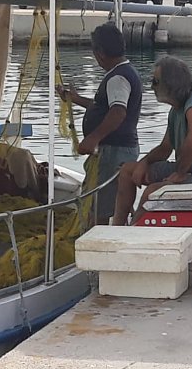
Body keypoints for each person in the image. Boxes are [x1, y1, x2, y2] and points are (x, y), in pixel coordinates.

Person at [112, 56, 192, 226]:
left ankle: (134, 229)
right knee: (128, 171)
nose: (152, 86)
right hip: (191, 169)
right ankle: (118, 226)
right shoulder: (176, 110)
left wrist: (179, 174)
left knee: (153, 192)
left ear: (170, 83)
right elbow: (165, 148)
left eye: (155, 82)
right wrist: (144, 162)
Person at [56, 23, 142, 224]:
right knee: (112, 200)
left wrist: (93, 139)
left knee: (101, 207)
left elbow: (118, 112)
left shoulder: (118, 77)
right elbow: (103, 107)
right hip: (119, 149)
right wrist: (75, 99)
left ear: (100, 53)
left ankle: (99, 236)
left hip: (114, 152)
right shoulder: (124, 72)